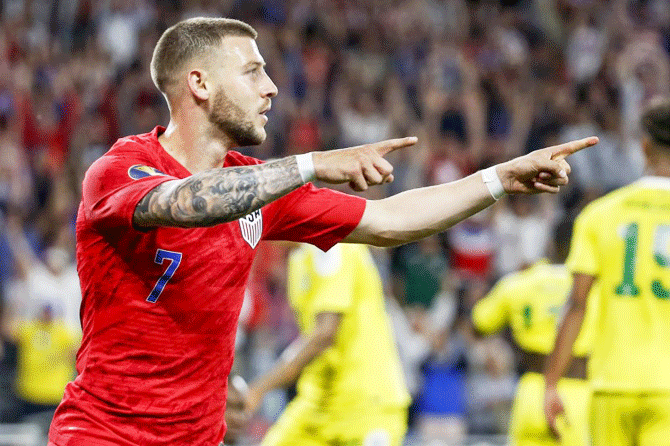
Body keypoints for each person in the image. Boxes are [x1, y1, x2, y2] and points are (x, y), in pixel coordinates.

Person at [47, 17, 597, 446]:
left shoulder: (258, 188)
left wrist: (498, 178)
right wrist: (308, 164)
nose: (272, 88)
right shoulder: (122, 169)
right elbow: (187, 203)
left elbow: (389, 220)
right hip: (103, 435)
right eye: (252, 71)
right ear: (199, 83)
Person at [544, 97, 670, 446]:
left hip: (612, 382)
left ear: (645, 148)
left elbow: (577, 305)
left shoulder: (600, 215)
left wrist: (552, 382)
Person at [246, 243, 410, 446]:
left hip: (366, 405)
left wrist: (258, 389)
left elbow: (324, 335)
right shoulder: (298, 260)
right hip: (318, 404)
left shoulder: (333, 245)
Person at [472, 223, 597, 446]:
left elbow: (479, 323)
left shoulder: (521, 281)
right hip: (578, 395)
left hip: (532, 390)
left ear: (551, 244)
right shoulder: (595, 289)